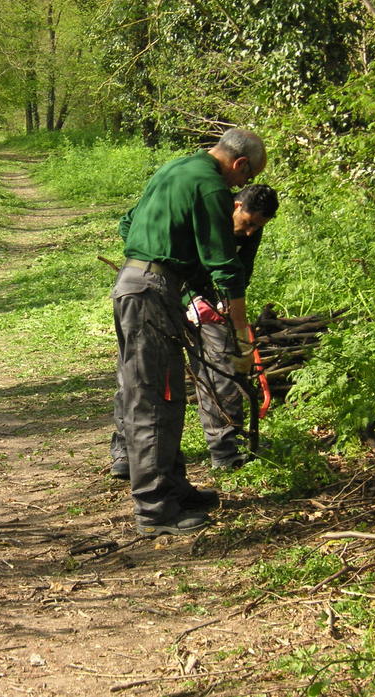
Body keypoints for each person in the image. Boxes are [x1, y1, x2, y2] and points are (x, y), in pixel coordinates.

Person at [111, 127, 267, 536]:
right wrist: (240, 334)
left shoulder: (176, 169)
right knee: (153, 399)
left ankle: (173, 487)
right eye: (245, 179)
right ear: (240, 164)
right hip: (150, 293)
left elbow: (130, 224)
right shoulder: (210, 184)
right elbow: (222, 262)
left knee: (166, 394)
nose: (240, 187)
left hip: (139, 285)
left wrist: (182, 280)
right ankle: (155, 509)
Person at [110, 183, 279, 478]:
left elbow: (240, 270)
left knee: (222, 365)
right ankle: (126, 451)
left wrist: (225, 305)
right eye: (249, 224)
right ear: (236, 206)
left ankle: (226, 449)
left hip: (210, 300)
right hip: (160, 288)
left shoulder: (251, 229)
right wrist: (188, 294)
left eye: (258, 228)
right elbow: (130, 225)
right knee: (139, 371)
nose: (250, 232)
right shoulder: (199, 203)